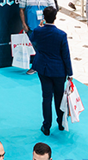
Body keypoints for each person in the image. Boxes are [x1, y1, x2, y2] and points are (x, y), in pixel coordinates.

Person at [31, 7, 72, 135]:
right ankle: (61, 123)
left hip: (43, 69)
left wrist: (39, 27)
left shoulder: (38, 31)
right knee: (60, 98)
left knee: (46, 97)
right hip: (59, 71)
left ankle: (46, 126)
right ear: (55, 17)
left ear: (44, 17)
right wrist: (70, 72)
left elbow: (32, 40)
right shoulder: (61, 34)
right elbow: (66, 55)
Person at [18, 0, 55, 74]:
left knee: (44, 48)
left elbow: (53, 11)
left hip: (45, 28)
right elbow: (21, 10)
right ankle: (35, 67)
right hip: (31, 28)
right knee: (35, 49)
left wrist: (51, 24)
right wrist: (24, 24)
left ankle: (43, 66)